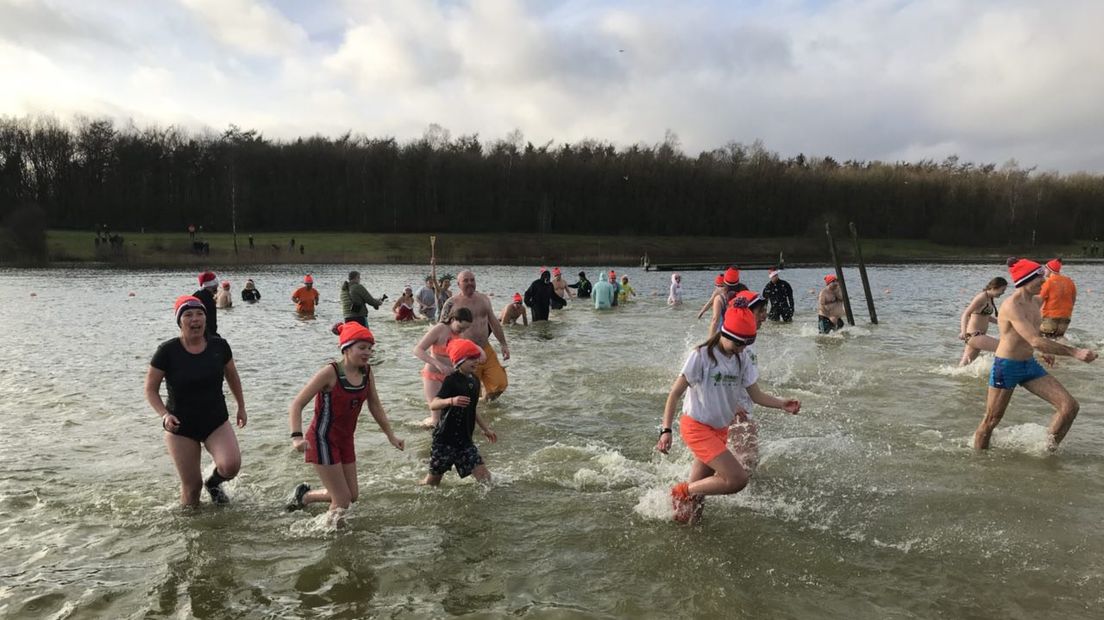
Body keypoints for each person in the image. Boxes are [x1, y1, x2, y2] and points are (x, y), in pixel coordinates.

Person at [656, 300, 801, 523]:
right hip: (697, 427)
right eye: (740, 344)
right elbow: (674, 394)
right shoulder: (701, 355)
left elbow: (756, 395)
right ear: (726, 334)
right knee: (737, 479)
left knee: (697, 498)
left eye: (747, 344)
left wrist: (782, 403)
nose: (743, 349)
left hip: (719, 430)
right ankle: (679, 491)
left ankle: (687, 528)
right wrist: (666, 430)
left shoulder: (741, 358)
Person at [973, 258, 1097, 451]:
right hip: (1007, 367)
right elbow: (1035, 340)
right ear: (1025, 280)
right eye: (1039, 278)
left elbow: (1034, 335)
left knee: (1069, 407)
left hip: (1029, 365)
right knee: (991, 421)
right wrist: (1074, 352)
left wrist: (1043, 350)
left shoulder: (1035, 301)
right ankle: (979, 462)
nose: (1044, 281)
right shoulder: (1011, 305)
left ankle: (1045, 452)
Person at [286, 322, 405, 523]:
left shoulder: (366, 372)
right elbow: (297, 404)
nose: (367, 352)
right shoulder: (330, 372)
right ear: (346, 348)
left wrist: (390, 436)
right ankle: (334, 544)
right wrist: (296, 437)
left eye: (370, 348)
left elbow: (374, 405)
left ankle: (305, 496)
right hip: (322, 439)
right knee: (342, 501)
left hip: (345, 440)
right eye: (362, 347)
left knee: (352, 495)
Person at [145, 296, 246, 506]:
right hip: (181, 426)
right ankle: (192, 532)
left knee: (231, 466)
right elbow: (150, 389)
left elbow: (233, 376)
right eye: (188, 315)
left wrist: (241, 406)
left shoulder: (219, 346)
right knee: (192, 490)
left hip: (215, 421)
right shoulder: (167, 351)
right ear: (179, 321)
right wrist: (164, 415)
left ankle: (214, 483)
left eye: (200, 314)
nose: (195, 319)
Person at [422, 338, 498, 487]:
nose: (475, 361)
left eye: (476, 358)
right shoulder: (451, 381)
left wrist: (486, 429)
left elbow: (473, 408)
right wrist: (451, 401)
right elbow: (434, 404)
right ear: (459, 361)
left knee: (486, 479)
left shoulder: (475, 381)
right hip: (445, 440)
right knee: (432, 483)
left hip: (465, 441)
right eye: (470, 358)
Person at [438, 270, 510, 401]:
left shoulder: (483, 299)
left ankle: (485, 403)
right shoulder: (451, 303)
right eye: (466, 280)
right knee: (469, 393)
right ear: (458, 284)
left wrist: (503, 344)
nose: (470, 283)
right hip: (465, 354)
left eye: (472, 280)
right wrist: (442, 358)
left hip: (485, 348)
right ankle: (479, 411)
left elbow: (494, 322)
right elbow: (441, 329)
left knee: (500, 384)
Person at [414, 307, 475, 427]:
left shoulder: (461, 334)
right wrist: (438, 364)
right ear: (453, 319)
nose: (462, 331)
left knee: (450, 416)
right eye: (461, 327)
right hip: (433, 375)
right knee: (436, 420)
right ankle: (421, 430)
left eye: (466, 328)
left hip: (451, 377)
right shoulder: (440, 329)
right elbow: (418, 350)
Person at [958, 277, 1008, 365]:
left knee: (964, 366)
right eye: (1002, 290)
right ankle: (1004, 373)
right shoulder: (981, 297)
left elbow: (986, 317)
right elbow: (965, 314)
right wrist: (963, 332)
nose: (1003, 293)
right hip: (974, 335)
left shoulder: (989, 298)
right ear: (994, 287)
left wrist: (1003, 323)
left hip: (978, 336)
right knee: (1005, 348)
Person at [1039, 259, 1077, 338]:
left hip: (1050, 317)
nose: (1044, 270)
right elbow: (1073, 300)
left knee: (1038, 336)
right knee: (1058, 338)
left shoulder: (1048, 282)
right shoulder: (1070, 281)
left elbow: (1039, 300)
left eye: (1045, 268)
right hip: (1066, 317)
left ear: (1050, 270)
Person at [708, 267, 746, 335]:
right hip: (740, 329)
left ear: (724, 281)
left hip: (724, 328)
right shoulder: (744, 290)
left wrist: (709, 342)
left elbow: (715, 320)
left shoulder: (719, 295)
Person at [193, 271, 220, 338]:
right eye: (216, 286)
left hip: (196, 332)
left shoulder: (196, 295)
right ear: (213, 285)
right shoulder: (208, 299)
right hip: (206, 335)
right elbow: (211, 321)